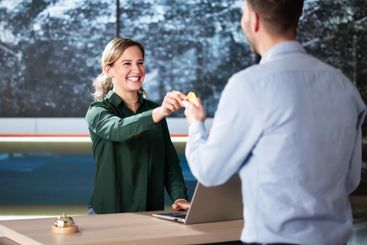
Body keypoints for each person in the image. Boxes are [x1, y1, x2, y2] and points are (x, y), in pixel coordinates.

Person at [183, 0, 366, 244]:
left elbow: (209, 171)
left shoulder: (249, 85)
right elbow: (350, 180)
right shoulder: (343, 86)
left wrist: (196, 125)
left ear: (254, 19)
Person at [86, 37, 189, 214]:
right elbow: (118, 129)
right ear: (108, 69)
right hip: (108, 215)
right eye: (127, 63)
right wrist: (159, 112)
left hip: (151, 213)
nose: (136, 69)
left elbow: (169, 162)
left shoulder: (154, 110)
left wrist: (179, 197)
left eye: (140, 62)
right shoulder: (98, 111)